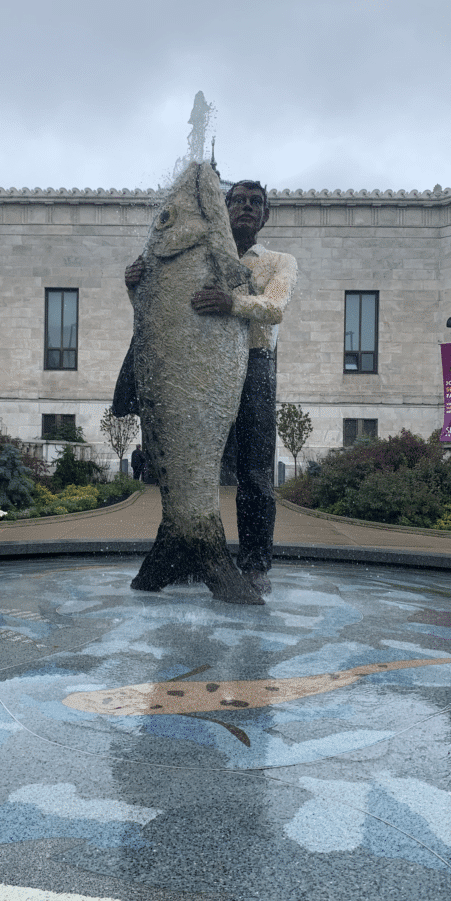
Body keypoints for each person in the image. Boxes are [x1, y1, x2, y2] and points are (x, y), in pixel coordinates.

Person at [125, 179, 297, 595]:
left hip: (254, 366)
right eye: (237, 201)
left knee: (254, 472)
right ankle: (186, 551)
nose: (246, 208)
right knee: (192, 465)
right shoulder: (197, 254)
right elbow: (169, 315)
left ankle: (254, 564)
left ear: (266, 214)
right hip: (200, 372)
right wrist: (136, 287)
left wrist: (232, 303)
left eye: (255, 203)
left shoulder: (278, 261)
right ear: (222, 209)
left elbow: (275, 307)